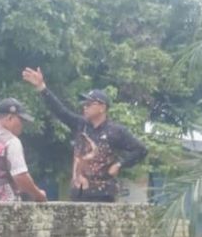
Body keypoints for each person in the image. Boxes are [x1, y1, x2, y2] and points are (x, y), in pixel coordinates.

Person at [22, 67, 147, 202]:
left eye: (89, 104)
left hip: (103, 194)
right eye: (84, 104)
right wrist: (42, 88)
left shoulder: (116, 131)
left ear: (102, 107)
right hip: (78, 192)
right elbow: (60, 111)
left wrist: (120, 164)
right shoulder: (81, 125)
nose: (85, 107)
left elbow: (141, 150)